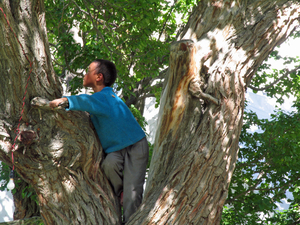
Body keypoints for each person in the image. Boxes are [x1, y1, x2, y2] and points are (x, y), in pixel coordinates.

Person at [49, 59, 149, 224]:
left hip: (135, 146)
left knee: (133, 196)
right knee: (109, 165)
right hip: (115, 149)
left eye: (89, 70)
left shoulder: (105, 97)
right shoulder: (101, 99)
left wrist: (66, 101)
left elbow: (86, 101)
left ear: (99, 77)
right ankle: (120, 192)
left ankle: (131, 219)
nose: (85, 74)